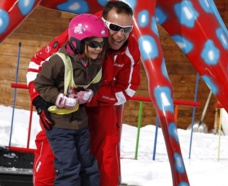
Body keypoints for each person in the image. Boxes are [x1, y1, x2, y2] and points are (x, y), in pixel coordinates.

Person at [26, 1, 141, 186]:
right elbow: (37, 66)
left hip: (98, 105)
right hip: (63, 107)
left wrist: (92, 95)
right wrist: (40, 101)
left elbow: (128, 87)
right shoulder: (81, 31)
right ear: (103, 23)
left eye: (127, 29)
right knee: (57, 160)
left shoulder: (130, 48)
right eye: (115, 28)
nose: (120, 35)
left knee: (101, 161)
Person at [32, 13, 109, 185]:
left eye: (101, 44)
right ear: (77, 42)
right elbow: (41, 84)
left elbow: (96, 83)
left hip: (80, 124)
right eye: (94, 44)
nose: (98, 49)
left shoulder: (94, 63)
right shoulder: (59, 61)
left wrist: (88, 93)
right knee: (69, 167)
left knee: (88, 165)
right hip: (59, 124)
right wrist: (59, 98)